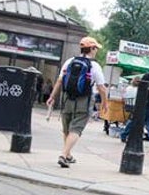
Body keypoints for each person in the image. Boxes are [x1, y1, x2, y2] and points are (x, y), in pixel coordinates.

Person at [47, 36, 109, 168]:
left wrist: (52, 97)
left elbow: (59, 80)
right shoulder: (94, 65)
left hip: (67, 98)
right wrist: (105, 103)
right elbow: (101, 88)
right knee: (76, 129)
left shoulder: (69, 61)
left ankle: (68, 155)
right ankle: (64, 155)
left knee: (67, 128)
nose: (96, 50)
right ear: (91, 49)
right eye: (96, 48)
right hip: (84, 100)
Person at [119, 59, 149, 149]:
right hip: (144, 104)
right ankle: (124, 135)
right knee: (135, 122)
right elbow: (141, 89)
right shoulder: (147, 76)